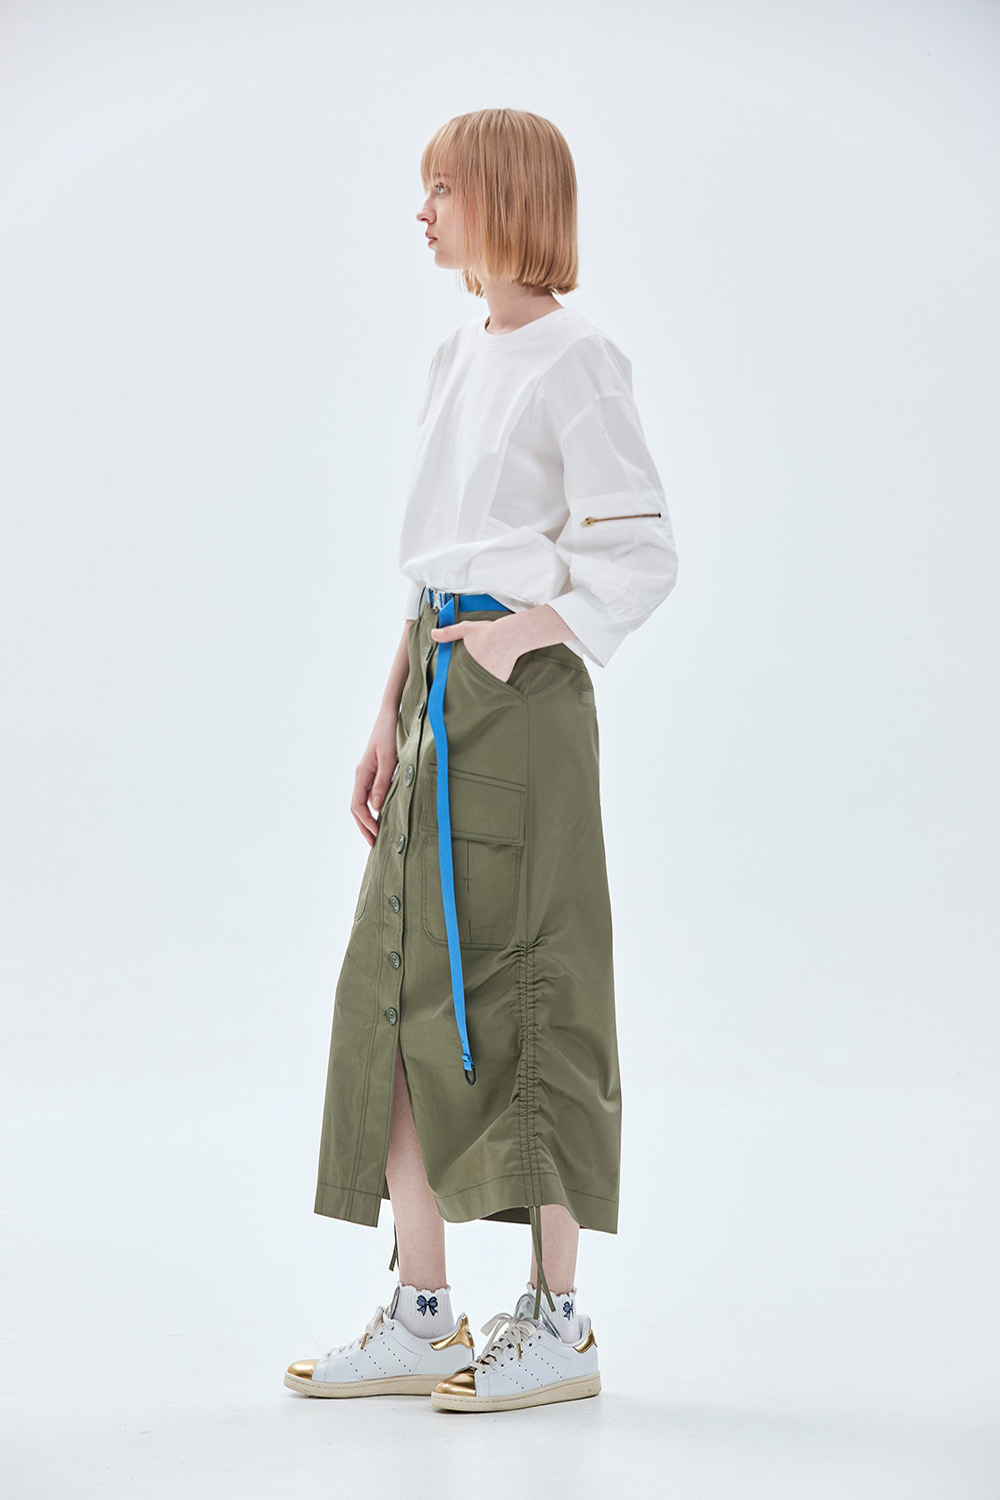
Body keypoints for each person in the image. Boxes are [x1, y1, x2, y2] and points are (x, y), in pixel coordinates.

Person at [284, 108, 679, 1414]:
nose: (423, 212)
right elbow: (433, 567)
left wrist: (526, 633)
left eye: (442, 189)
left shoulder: (581, 361)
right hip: (437, 691)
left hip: (522, 702)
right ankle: (424, 1312)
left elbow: (639, 552)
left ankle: (560, 1322)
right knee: (401, 982)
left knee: (532, 984)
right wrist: (389, 708)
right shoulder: (455, 356)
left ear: (502, 198)